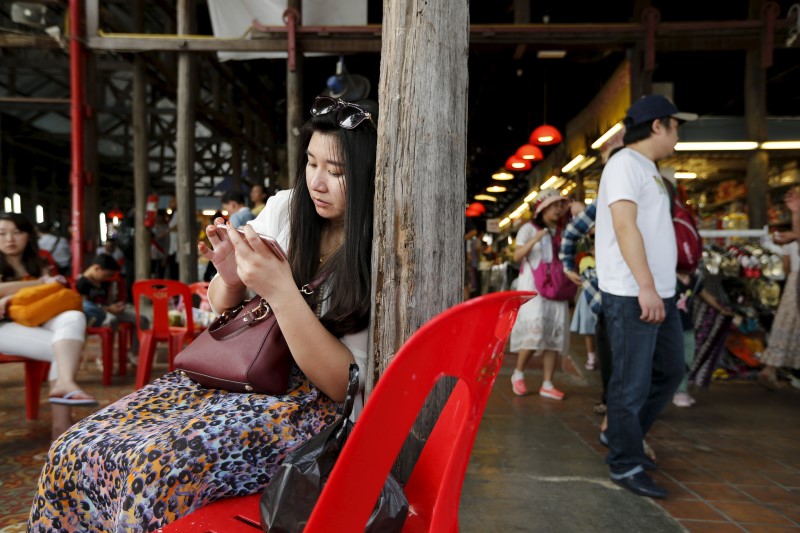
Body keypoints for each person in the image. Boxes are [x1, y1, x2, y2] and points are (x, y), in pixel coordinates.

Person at [29, 96, 378, 531]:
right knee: (75, 446)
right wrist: (230, 276)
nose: (317, 183)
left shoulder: (380, 245)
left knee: (151, 468)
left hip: (306, 409)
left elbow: (346, 386)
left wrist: (281, 291)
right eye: (311, 164)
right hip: (234, 380)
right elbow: (221, 304)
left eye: (337, 172)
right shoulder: (288, 209)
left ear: (367, 176)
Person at [594, 94, 697, 499]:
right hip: (632, 292)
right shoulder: (623, 164)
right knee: (630, 383)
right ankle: (624, 461)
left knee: (670, 371)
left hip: (661, 292)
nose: (677, 135)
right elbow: (624, 226)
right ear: (657, 125)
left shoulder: (648, 168)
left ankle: (624, 437)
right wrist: (646, 286)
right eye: (675, 126)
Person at [0, 213, 98, 440]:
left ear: (28, 235)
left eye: (17, 232)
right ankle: (61, 426)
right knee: (64, 351)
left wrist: (10, 295)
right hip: (4, 328)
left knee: (73, 317)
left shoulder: (40, 261)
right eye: (2, 234)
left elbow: (55, 288)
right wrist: (39, 283)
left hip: (38, 318)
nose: (10, 239)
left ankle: (64, 386)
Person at [509, 189, 572, 400]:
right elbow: (517, 255)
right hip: (533, 289)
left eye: (560, 205)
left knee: (554, 333)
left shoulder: (562, 231)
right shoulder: (528, 229)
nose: (558, 209)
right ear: (542, 208)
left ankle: (547, 383)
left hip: (556, 287)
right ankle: (518, 373)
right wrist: (535, 239)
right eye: (554, 205)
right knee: (534, 332)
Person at [757, 188, 800, 389]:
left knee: (785, 323)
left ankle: (770, 368)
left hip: (793, 280)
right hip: (796, 282)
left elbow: (786, 266)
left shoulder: (792, 240)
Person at [75, 253, 146, 356]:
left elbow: (106, 301)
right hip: (95, 316)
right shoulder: (81, 283)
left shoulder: (103, 282)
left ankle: (135, 354)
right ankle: (106, 355)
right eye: (107, 275)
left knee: (142, 319)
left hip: (110, 311)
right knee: (112, 320)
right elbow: (85, 307)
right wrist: (108, 309)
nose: (107, 278)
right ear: (96, 268)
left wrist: (115, 306)